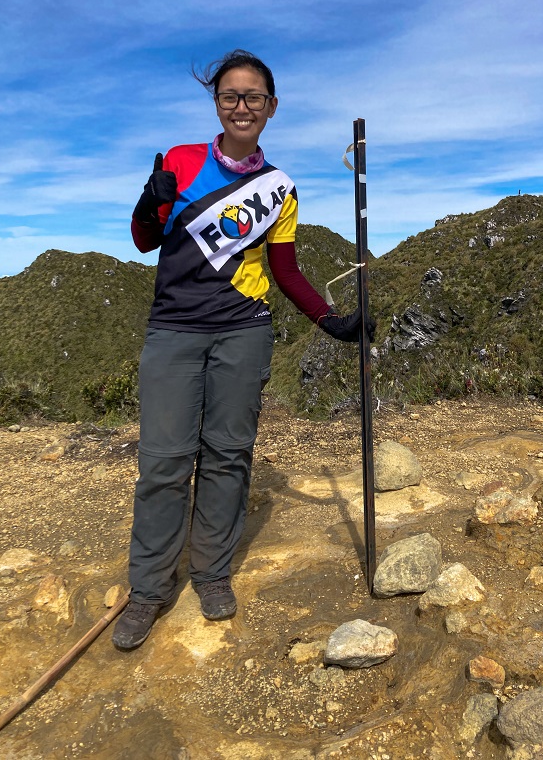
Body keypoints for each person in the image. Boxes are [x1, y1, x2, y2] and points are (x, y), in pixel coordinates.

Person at [113, 49, 374, 650]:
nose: (241, 106)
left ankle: (211, 573)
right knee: (164, 462)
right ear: (217, 104)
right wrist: (150, 202)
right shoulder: (179, 161)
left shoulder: (279, 191)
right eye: (230, 96)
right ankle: (149, 589)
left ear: (271, 107)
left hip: (243, 329)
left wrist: (330, 320)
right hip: (174, 329)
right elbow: (144, 240)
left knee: (228, 454)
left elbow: (286, 269)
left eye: (253, 97)